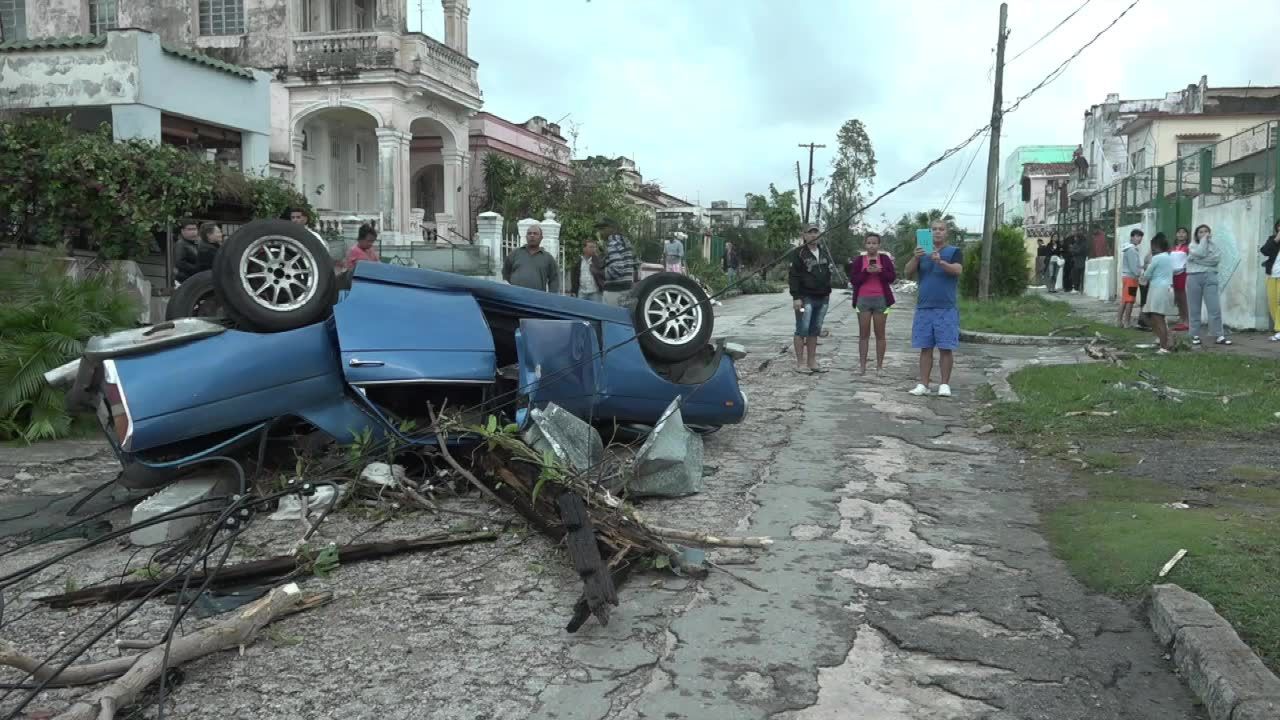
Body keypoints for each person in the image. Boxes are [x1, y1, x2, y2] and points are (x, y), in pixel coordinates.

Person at [906, 220, 963, 397]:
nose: (937, 232)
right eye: (934, 230)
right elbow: (907, 272)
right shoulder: (922, 253)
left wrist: (941, 262)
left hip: (946, 307)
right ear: (928, 233)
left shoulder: (953, 252)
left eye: (941, 229)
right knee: (925, 347)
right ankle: (924, 383)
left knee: (946, 347)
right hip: (924, 307)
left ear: (947, 233)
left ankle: (944, 384)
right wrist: (915, 257)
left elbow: (957, 270)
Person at [788, 224, 834, 374]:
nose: (814, 235)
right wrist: (796, 297)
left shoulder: (824, 252)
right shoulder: (798, 253)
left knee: (815, 330)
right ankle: (800, 363)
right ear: (804, 235)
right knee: (802, 329)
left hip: (822, 297)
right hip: (804, 298)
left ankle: (812, 361)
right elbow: (793, 275)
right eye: (810, 233)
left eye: (816, 232)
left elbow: (829, 272)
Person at [848, 232, 896, 375]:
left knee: (880, 334)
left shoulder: (885, 259)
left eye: (874, 243)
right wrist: (866, 272)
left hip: (881, 299)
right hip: (863, 299)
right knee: (863, 334)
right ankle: (862, 366)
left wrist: (880, 271)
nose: (871, 245)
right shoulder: (859, 260)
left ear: (879, 245)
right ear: (865, 244)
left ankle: (879, 367)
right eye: (869, 243)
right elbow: (853, 280)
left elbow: (892, 277)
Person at [1185, 223, 1231, 346]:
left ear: (1210, 233)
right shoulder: (1192, 245)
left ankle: (1218, 335)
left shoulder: (1214, 246)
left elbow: (1215, 260)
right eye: (1201, 232)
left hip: (1210, 277)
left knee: (1214, 307)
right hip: (1194, 277)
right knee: (1194, 308)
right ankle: (1194, 334)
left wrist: (1196, 260)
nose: (1204, 233)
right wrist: (1203, 243)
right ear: (1196, 234)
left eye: (1206, 231)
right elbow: (1200, 252)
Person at [1139, 232, 1176, 353]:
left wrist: (1144, 272)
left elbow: (1147, 274)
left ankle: (1164, 346)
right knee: (1152, 316)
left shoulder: (1157, 258)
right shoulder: (1169, 256)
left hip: (1158, 289)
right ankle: (1164, 340)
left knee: (1157, 318)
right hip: (1166, 288)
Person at [502, 224, 561, 293]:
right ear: (526, 237)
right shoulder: (515, 253)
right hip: (515, 296)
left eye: (535, 234)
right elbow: (506, 273)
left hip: (537, 298)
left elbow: (554, 279)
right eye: (529, 233)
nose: (532, 235)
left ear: (541, 237)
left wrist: (551, 297)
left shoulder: (548, 258)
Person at [597, 218, 639, 306]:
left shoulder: (612, 244)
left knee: (610, 318)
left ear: (613, 229)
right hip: (627, 289)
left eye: (602, 229)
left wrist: (599, 272)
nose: (600, 232)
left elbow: (617, 269)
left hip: (613, 292)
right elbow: (636, 264)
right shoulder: (627, 243)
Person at [1117, 228, 1144, 328]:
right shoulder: (1132, 250)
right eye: (1137, 236)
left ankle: (1119, 321)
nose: (1139, 238)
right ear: (1132, 237)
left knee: (1125, 300)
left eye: (1141, 236)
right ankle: (1126, 322)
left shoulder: (1129, 249)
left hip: (1127, 277)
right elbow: (1134, 267)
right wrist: (1139, 274)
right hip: (1131, 278)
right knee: (1130, 300)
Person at [1260, 219, 1280, 342]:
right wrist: (1276, 240)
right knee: (1272, 302)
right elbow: (1264, 251)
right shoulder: (1272, 239)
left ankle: (1279, 330)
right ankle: (1278, 329)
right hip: (1273, 275)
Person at [1170, 227, 1191, 331]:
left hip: (1183, 274)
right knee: (1177, 298)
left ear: (1187, 235)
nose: (1181, 234)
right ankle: (1181, 319)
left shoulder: (1188, 247)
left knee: (1183, 298)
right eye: (1179, 232)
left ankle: (1187, 321)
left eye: (1184, 232)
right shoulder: (1172, 247)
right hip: (1172, 275)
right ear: (1176, 235)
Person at [173, 219, 201, 284]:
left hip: (195, 278)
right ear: (182, 231)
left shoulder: (196, 243)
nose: (193, 232)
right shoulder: (181, 244)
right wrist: (198, 269)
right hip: (185, 280)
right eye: (190, 229)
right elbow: (180, 263)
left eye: (194, 229)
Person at [1068, 227, 1088, 292]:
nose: (1075, 238)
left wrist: (1073, 251)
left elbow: (1078, 251)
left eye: (1076, 237)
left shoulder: (1083, 244)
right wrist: (1073, 250)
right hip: (1076, 262)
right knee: (1075, 275)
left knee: (1080, 276)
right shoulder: (1076, 244)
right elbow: (1071, 250)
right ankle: (1076, 287)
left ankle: (1079, 288)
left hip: (1081, 262)